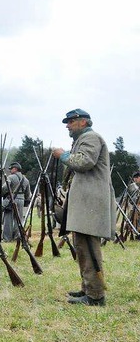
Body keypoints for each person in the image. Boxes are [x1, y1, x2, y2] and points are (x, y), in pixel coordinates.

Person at [52, 109, 115, 306]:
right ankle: (88, 288)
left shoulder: (91, 138)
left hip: (90, 202)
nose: (67, 125)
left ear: (84, 122)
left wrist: (63, 156)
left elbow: (83, 162)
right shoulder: (84, 139)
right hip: (84, 202)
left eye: (71, 121)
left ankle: (96, 296)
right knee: (81, 246)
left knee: (88, 247)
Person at [1, 162, 31, 242]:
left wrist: (1, 194)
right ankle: (17, 236)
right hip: (21, 200)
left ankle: (7, 238)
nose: (10, 170)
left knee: (8, 219)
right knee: (19, 219)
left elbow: (4, 188)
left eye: (11, 169)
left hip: (11, 198)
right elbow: (28, 194)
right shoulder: (26, 179)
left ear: (15, 169)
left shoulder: (11, 177)